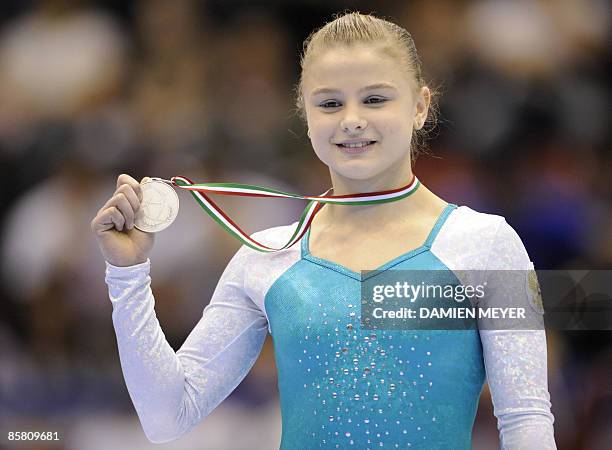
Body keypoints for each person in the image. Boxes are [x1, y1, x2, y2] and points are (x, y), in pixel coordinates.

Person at [91, 12, 556, 449]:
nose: (352, 118)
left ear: (419, 106)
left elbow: (526, 420)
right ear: (306, 115)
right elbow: (166, 417)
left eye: (375, 98)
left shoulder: (482, 244)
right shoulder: (268, 255)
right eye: (330, 103)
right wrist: (127, 274)